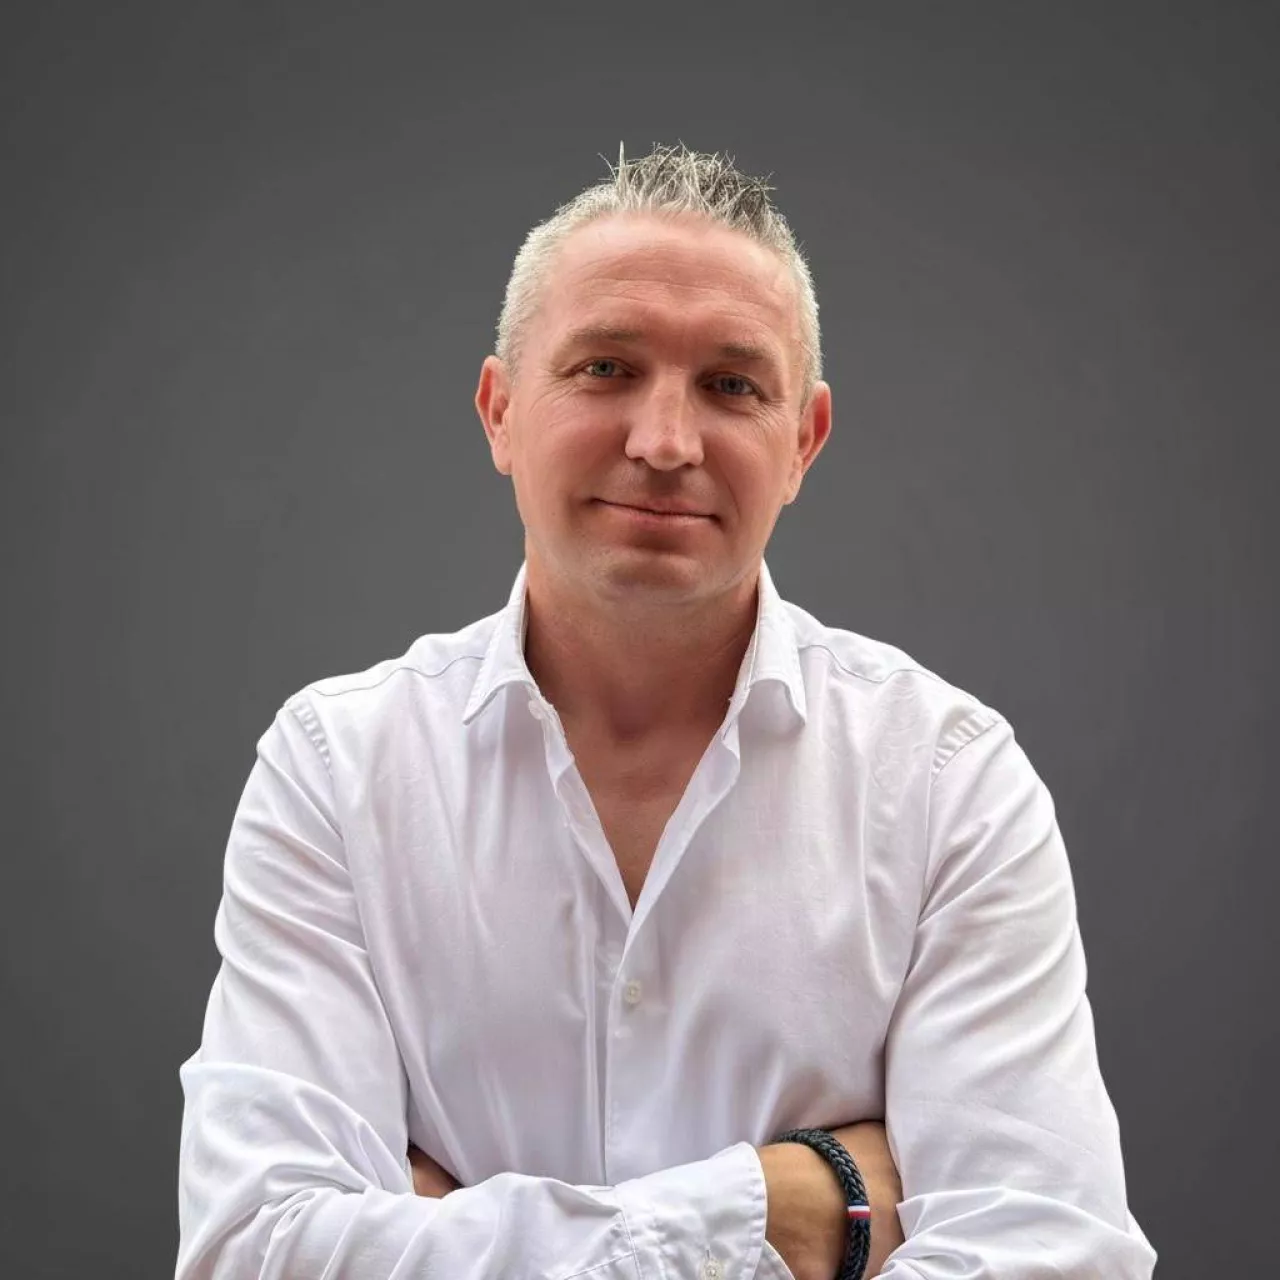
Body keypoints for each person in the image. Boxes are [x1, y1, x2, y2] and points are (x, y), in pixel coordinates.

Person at [176, 144, 1156, 1279]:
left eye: (732, 386)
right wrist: (777, 1213)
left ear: (803, 443)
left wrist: (450, 1232)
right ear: (500, 412)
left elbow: (1056, 1256)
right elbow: (257, 1251)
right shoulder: (336, 770)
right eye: (604, 368)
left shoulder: (947, 782)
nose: (664, 443)